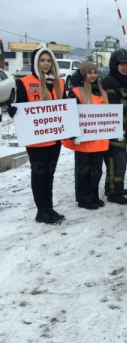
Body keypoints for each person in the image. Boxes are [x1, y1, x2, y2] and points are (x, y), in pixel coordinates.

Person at [8, 46, 66, 224]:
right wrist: (13, 111)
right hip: (36, 140)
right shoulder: (25, 82)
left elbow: (64, 107)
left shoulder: (59, 82)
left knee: (50, 174)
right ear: (35, 62)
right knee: (39, 174)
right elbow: (21, 108)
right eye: (42, 60)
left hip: (55, 138)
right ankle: (41, 211)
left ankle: (48, 207)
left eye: (49, 60)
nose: (46, 64)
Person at [62, 62, 110, 210]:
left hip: (99, 141)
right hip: (83, 142)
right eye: (89, 72)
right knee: (83, 172)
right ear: (84, 74)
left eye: (95, 72)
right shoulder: (76, 92)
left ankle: (94, 196)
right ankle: (85, 199)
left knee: (96, 171)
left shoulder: (102, 93)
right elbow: (69, 114)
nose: (93, 75)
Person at [102, 49, 127, 205]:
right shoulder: (110, 82)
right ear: (115, 65)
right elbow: (111, 108)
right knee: (116, 161)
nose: (125, 67)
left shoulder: (122, 82)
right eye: (122, 64)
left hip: (123, 129)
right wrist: (117, 127)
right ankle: (114, 192)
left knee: (120, 159)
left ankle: (114, 187)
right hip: (114, 131)